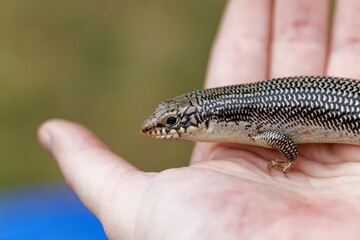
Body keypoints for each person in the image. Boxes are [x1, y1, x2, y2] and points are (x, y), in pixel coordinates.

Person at [38, 1, 360, 239]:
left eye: (174, 123)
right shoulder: (240, 121)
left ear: (205, 122)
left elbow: (283, 141)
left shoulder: (251, 126)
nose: (158, 128)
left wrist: (290, 161)